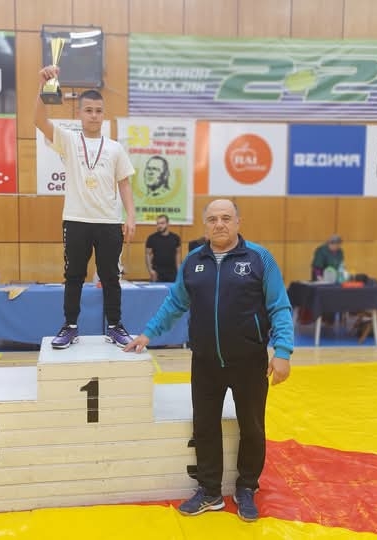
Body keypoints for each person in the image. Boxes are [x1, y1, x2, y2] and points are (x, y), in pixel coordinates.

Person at [124, 199, 293, 522]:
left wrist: (283, 351)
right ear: (205, 225)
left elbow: (279, 306)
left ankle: (246, 487)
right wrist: (148, 334)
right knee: (205, 426)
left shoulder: (260, 259)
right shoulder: (193, 261)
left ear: (238, 222)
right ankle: (210, 490)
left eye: (226, 218)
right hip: (205, 361)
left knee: (252, 427)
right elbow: (175, 303)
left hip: (249, 362)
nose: (219, 224)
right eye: (213, 219)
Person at [35, 64, 136, 349]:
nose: (93, 115)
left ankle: (115, 326)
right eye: (88, 110)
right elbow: (38, 120)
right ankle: (70, 327)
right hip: (76, 220)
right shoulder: (67, 139)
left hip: (109, 222)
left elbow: (124, 184)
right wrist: (43, 87)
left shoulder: (115, 148)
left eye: (98, 111)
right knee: (74, 277)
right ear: (79, 113)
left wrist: (130, 215)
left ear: (104, 115)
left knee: (111, 277)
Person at [145, 214, 181, 282]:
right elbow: (148, 254)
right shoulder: (151, 238)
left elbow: (178, 254)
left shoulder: (175, 238)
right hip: (157, 273)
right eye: (158, 223)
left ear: (167, 224)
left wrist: (179, 271)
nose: (159, 226)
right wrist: (150, 270)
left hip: (172, 273)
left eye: (162, 223)